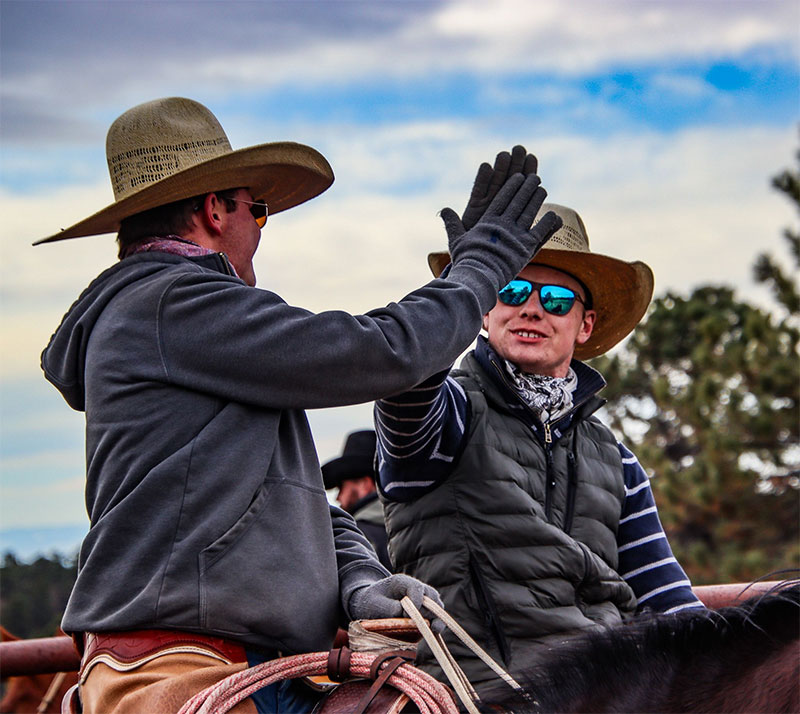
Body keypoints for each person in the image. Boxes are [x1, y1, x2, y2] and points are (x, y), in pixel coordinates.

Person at [37, 96, 563, 713]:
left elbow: (288, 500)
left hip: (246, 666)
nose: (259, 229)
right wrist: (481, 267)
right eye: (256, 210)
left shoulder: (180, 323)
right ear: (214, 210)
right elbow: (382, 352)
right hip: (182, 666)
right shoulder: (175, 303)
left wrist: (361, 581)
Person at [374, 202, 704, 690]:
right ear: (485, 312)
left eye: (555, 299)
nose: (531, 308)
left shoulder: (618, 459)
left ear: (585, 325)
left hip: (609, 691)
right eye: (509, 289)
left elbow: (668, 599)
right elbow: (404, 388)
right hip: (477, 691)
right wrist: (461, 288)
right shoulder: (450, 412)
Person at [322, 430, 391, 570]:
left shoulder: (356, 536)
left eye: (341, 487)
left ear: (365, 484)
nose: (338, 497)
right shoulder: (410, 530)